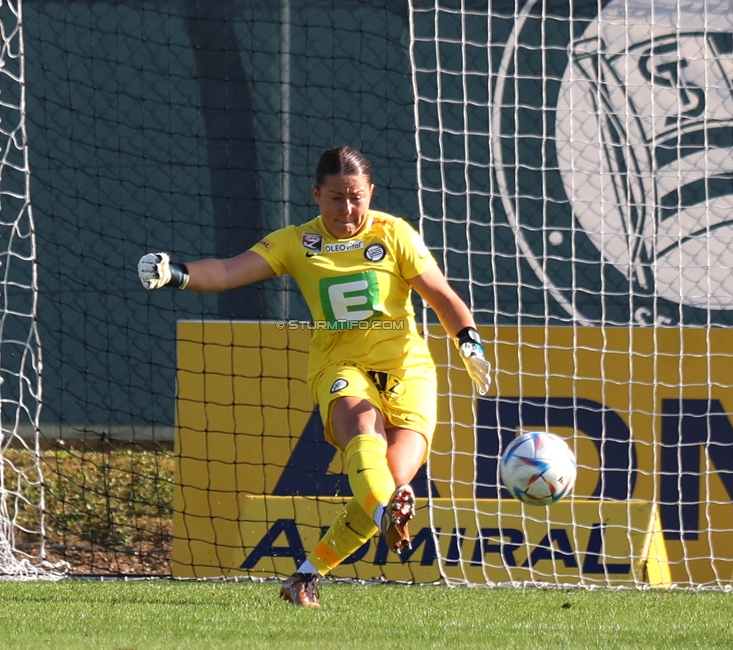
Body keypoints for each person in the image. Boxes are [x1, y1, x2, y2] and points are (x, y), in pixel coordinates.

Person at [137, 146, 491, 607]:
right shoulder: (296, 242)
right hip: (340, 368)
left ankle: (305, 576)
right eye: (336, 198)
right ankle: (386, 515)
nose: (348, 209)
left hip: (408, 370)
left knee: (387, 483)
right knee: (365, 434)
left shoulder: (395, 234)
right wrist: (177, 274)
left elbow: (440, 295)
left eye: (357, 198)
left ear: (371, 193)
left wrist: (468, 339)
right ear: (316, 195)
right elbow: (226, 271)